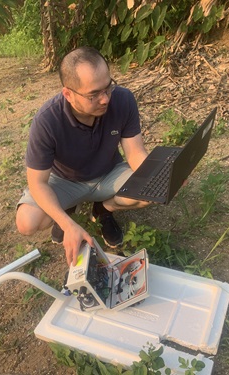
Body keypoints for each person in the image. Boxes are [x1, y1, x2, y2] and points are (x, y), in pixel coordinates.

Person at [15, 46, 150, 266]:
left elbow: (135, 153)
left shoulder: (122, 99)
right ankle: (66, 212)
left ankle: (104, 209)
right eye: (94, 94)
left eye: (108, 88)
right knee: (27, 222)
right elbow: (37, 182)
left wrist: (161, 175)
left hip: (109, 172)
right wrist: (67, 225)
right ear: (68, 94)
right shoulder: (47, 121)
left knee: (151, 190)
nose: (105, 99)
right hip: (65, 180)